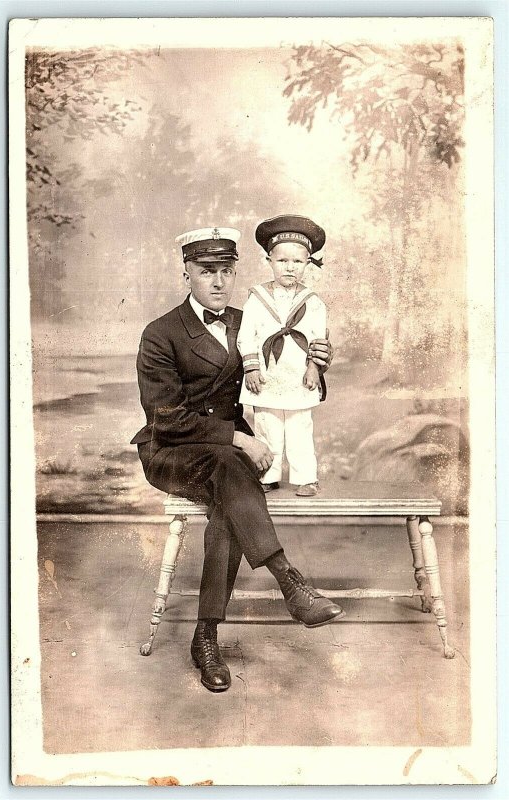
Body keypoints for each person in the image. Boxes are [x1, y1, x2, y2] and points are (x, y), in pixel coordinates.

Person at [131, 226, 345, 694]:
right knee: (232, 468)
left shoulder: (251, 320)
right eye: (207, 272)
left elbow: (288, 372)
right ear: (186, 273)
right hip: (172, 452)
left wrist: (316, 362)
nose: (218, 282)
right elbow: (166, 418)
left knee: (229, 500)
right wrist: (241, 439)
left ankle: (205, 637)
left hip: (226, 456)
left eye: (227, 271)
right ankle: (289, 581)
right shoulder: (161, 333)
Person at [237, 215, 327, 497]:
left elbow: (318, 339)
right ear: (269, 261)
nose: (290, 268)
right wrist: (251, 369)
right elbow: (246, 335)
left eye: (298, 262)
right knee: (267, 427)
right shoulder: (257, 298)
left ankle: (306, 478)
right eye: (282, 261)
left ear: (308, 263)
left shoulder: (312, 302)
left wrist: (314, 368)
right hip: (266, 376)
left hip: (298, 376)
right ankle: (268, 475)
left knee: (300, 427)